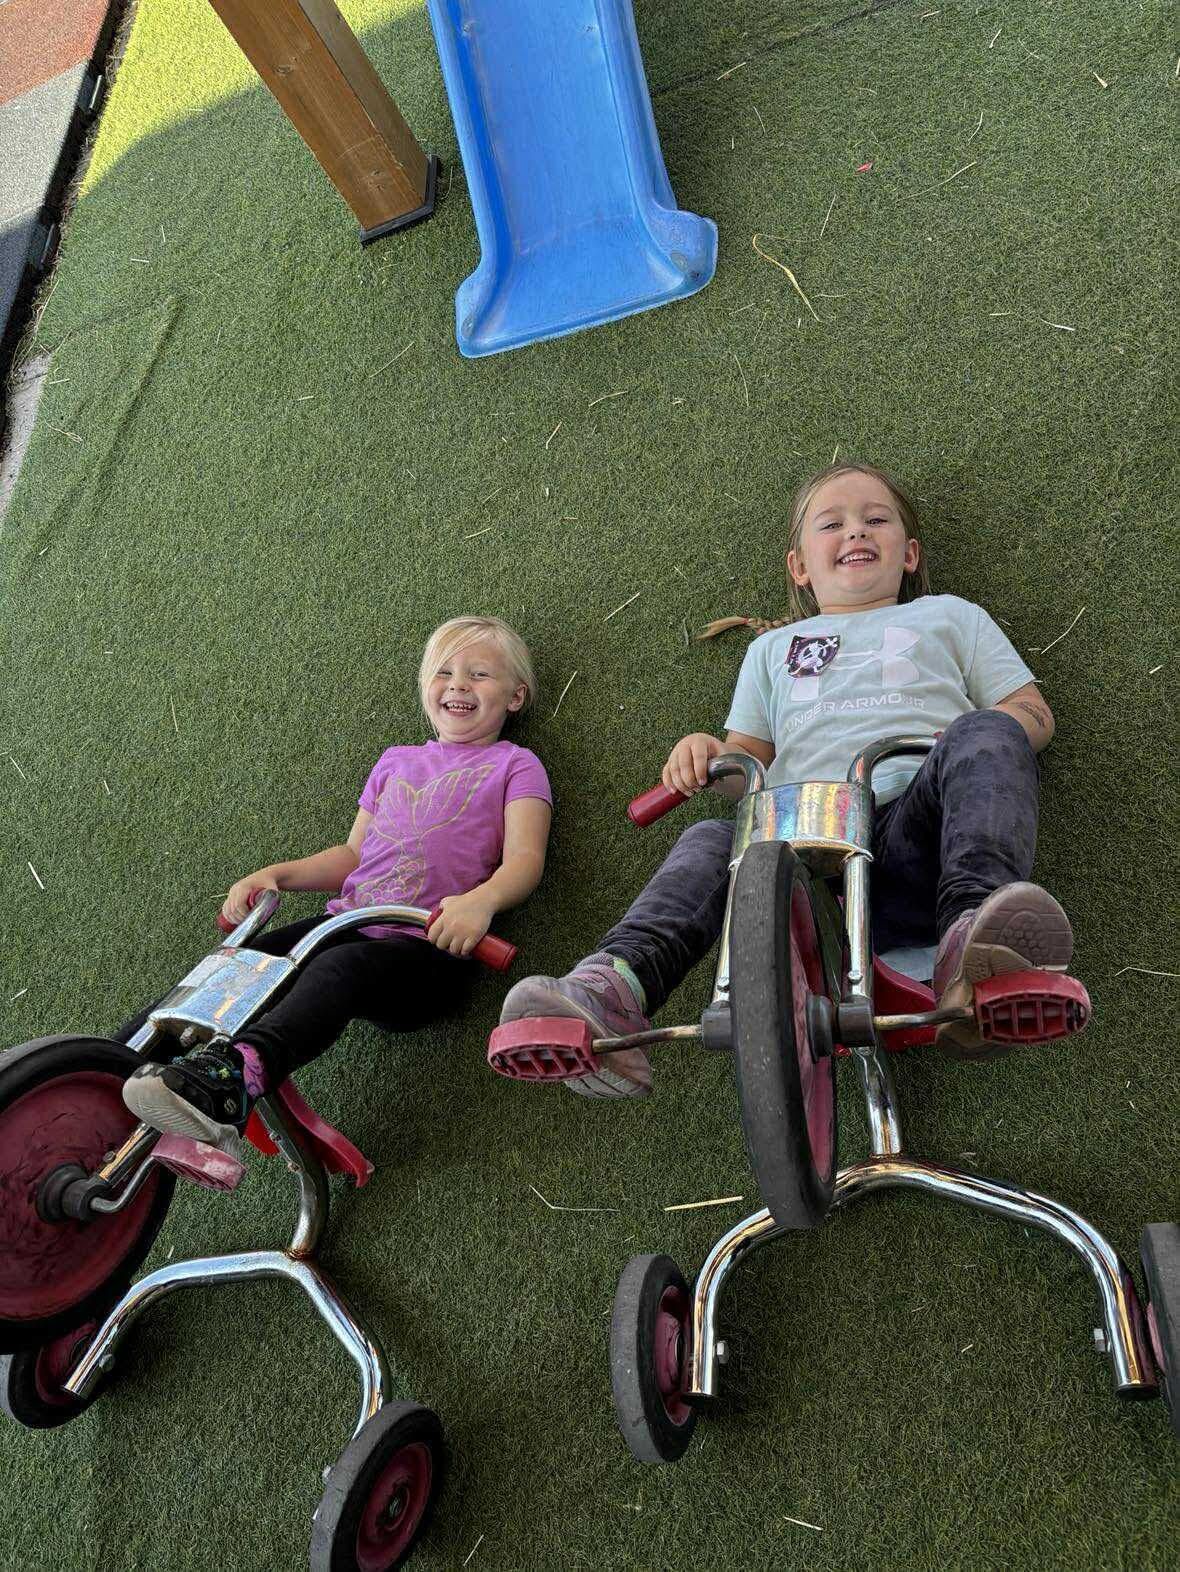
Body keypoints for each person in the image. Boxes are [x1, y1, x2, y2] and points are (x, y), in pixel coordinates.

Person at [498, 462, 1072, 1095]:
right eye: (833, 524)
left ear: (909, 554)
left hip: (919, 831)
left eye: (876, 520)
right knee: (711, 841)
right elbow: (747, 763)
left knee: (989, 730)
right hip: (805, 863)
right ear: (801, 565)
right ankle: (612, 988)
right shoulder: (773, 650)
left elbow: (1032, 715)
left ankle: (975, 940)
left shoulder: (951, 616)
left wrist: (961, 742)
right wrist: (706, 754)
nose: (856, 532)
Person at [124, 616, 552, 1150]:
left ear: (516, 696)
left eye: (480, 674)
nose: (458, 684)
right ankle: (109, 1062)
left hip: (427, 950)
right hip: (342, 923)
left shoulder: (515, 765)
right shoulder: (397, 761)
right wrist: (277, 874)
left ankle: (233, 1080)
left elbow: (524, 860)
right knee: (236, 966)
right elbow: (353, 855)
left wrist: (480, 903)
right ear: (425, 687)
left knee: (338, 965)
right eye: (443, 672)